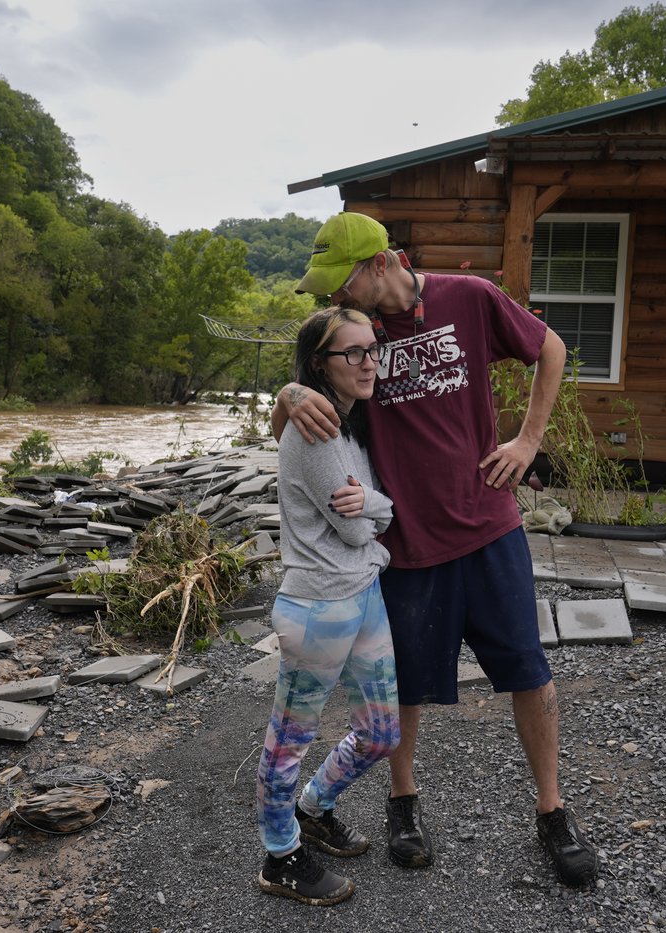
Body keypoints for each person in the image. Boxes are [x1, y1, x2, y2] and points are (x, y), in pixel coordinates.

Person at [271, 212, 598, 889]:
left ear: (383, 263)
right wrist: (290, 390)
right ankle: (403, 803)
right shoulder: (355, 338)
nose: (337, 298)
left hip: (489, 526)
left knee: (529, 669)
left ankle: (553, 810)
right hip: (407, 541)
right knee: (409, 683)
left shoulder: (468, 297)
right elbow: (293, 400)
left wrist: (529, 440)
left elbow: (552, 347)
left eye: (344, 282)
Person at [255, 306, 401, 906]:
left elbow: (366, 514)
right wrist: (382, 509)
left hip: (362, 595)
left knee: (382, 733)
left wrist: (373, 505)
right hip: (317, 606)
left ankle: (315, 807)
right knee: (288, 740)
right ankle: (280, 854)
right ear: (321, 363)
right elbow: (356, 529)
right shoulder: (314, 429)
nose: (369, 362)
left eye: (373, 349)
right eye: (353, 353)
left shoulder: (350, 421)